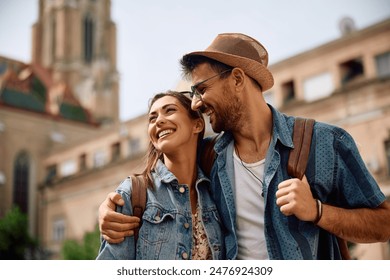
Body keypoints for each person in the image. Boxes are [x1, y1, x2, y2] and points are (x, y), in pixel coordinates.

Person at [98, 33, 390, 259]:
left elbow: (384, 223)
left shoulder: (325, 142)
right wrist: (109, 208)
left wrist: (316, 211)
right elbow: (165, 179)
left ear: (237, 79)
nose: (197, 103)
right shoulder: (210, 156)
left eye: (202, 89)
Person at [96, 91, 225, 260]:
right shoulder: (132, 194)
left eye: (169, 110)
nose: (159, 120)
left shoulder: (216, 189)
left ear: (198, 125)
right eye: (152, 118)